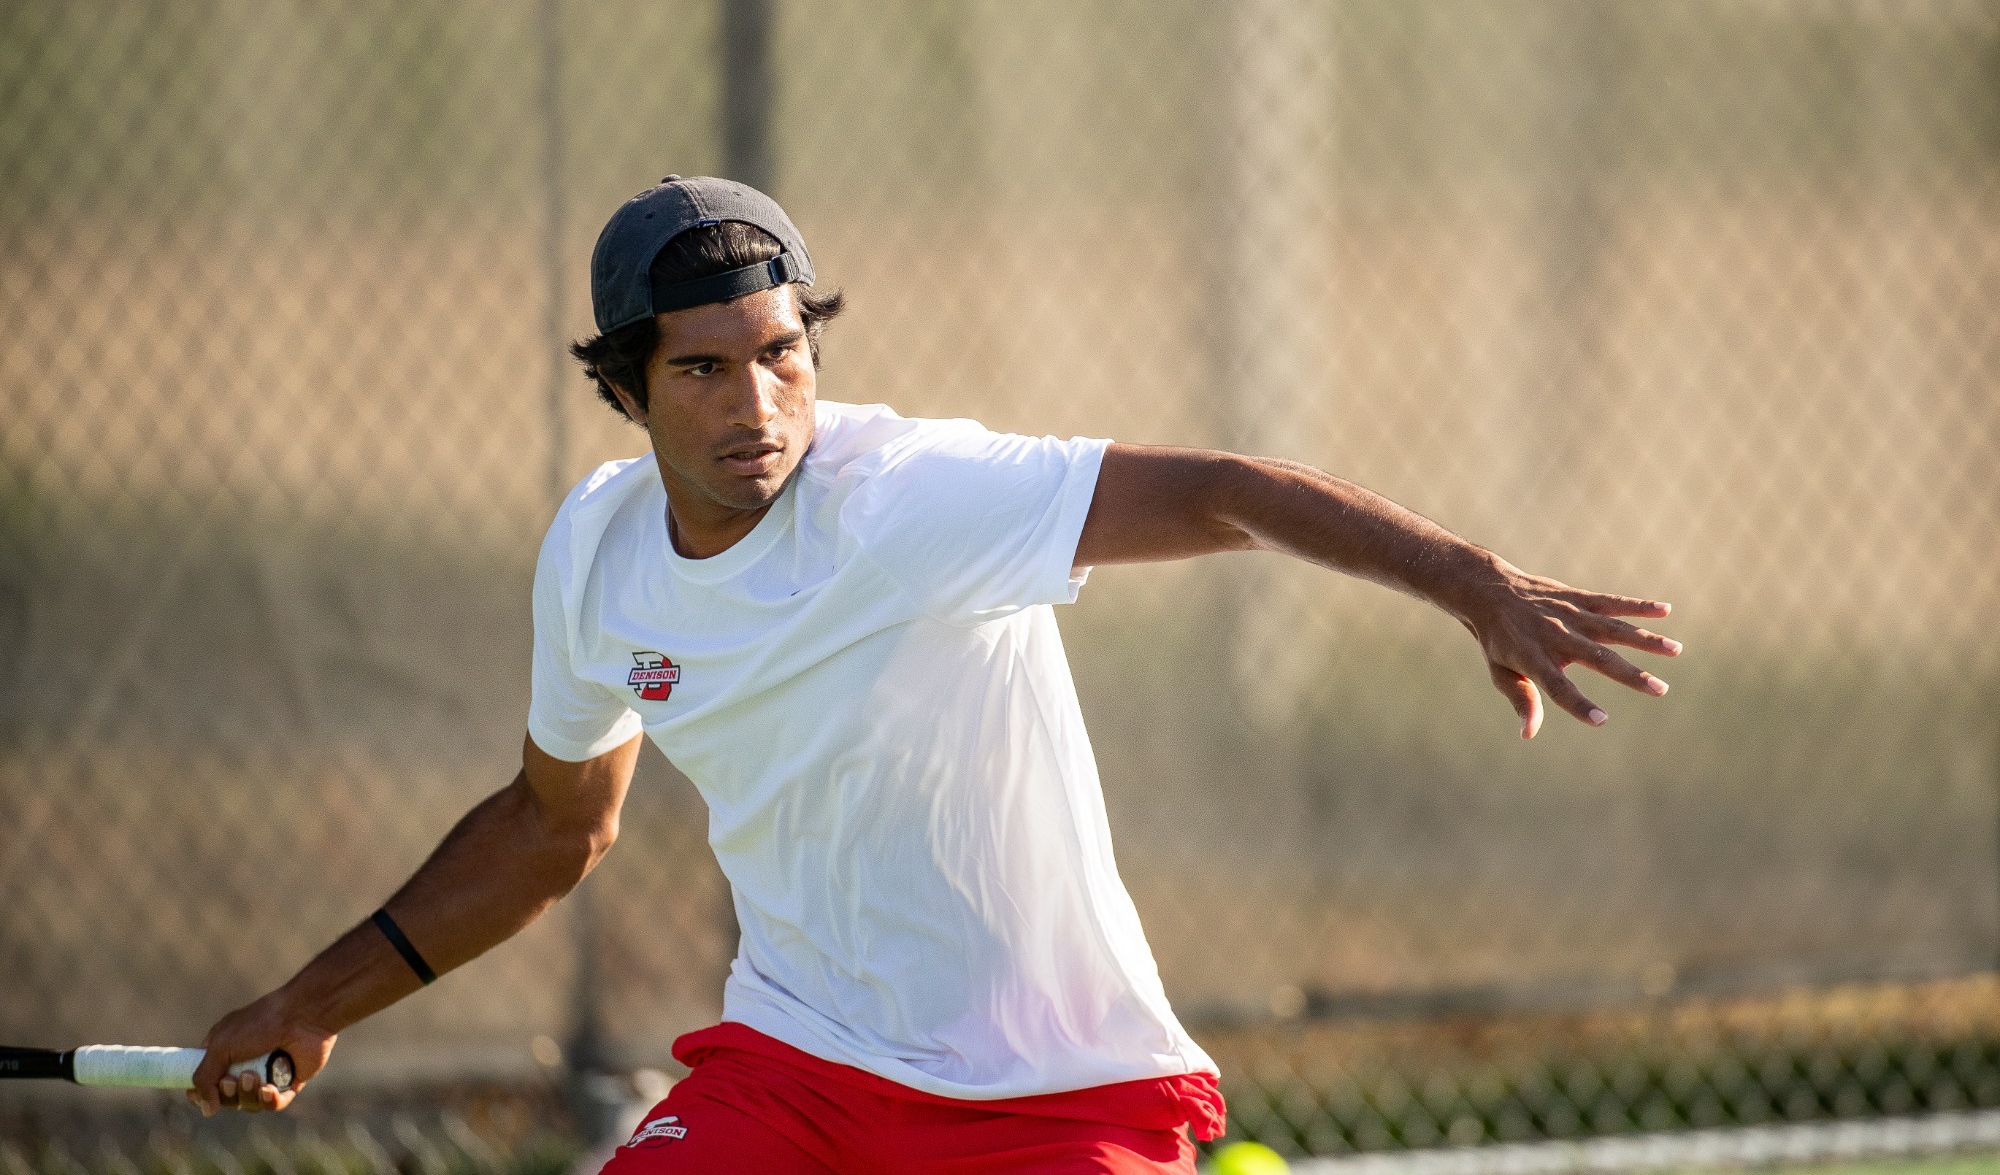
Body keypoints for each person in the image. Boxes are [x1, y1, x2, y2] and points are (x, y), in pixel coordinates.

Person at [189, 176, 1679, 1172]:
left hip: (1063, 1089)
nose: (758, 402)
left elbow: (1225, 488)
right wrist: (316, 999)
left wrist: (1473, 583)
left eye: (782, 353)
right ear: (627, 386)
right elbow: (548, 827)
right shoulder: (596, 558)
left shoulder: (909, 498)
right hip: (801, 1064)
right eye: (703, 370)